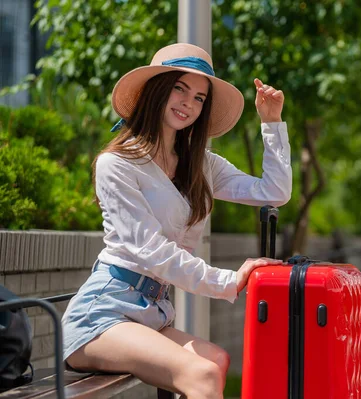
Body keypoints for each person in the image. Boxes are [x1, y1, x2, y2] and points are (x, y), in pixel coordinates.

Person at [61, 43, 292, 399]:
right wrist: (228, 280)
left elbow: (273, 192)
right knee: (201, 374)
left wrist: (272, 124)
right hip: (103, 315)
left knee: (216, 362)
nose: (188, 102)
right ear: (156, 90)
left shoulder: (202, 165)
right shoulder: (117, 165)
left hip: (151, 313)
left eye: (200, 98)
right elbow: (152, 251)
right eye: (179, 88)